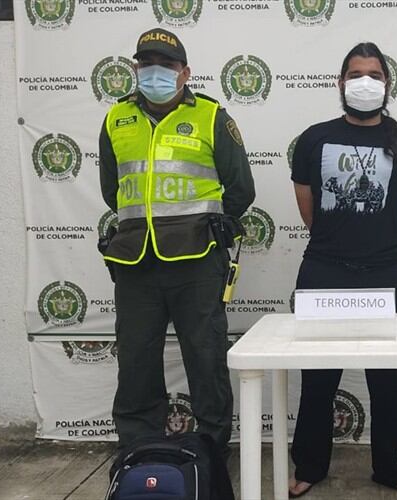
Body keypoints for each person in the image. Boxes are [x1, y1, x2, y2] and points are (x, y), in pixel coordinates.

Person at [98, 28, 256, 454]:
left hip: (197, 259)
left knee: (205, 358)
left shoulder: (211, 116)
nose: (156, 72)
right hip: (135, 261)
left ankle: (211, 453)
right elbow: (113, 192)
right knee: (136, 361)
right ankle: (138, 452)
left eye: (166, 65)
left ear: (185, 72)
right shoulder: (116, 119)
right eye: (146, 64)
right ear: (135, 69)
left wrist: (209, 224)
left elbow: (240, 189)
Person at [287, 42, 397, 499]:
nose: (364, 81)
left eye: (374, 74)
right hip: (324, 271)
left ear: (387, 84)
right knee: (317, 379)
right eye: (355, 73)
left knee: (387, 381)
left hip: (385, 273)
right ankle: (310, 465)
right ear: (340, 82)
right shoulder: (314, 139)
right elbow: (310, 211)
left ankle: (388, 467)